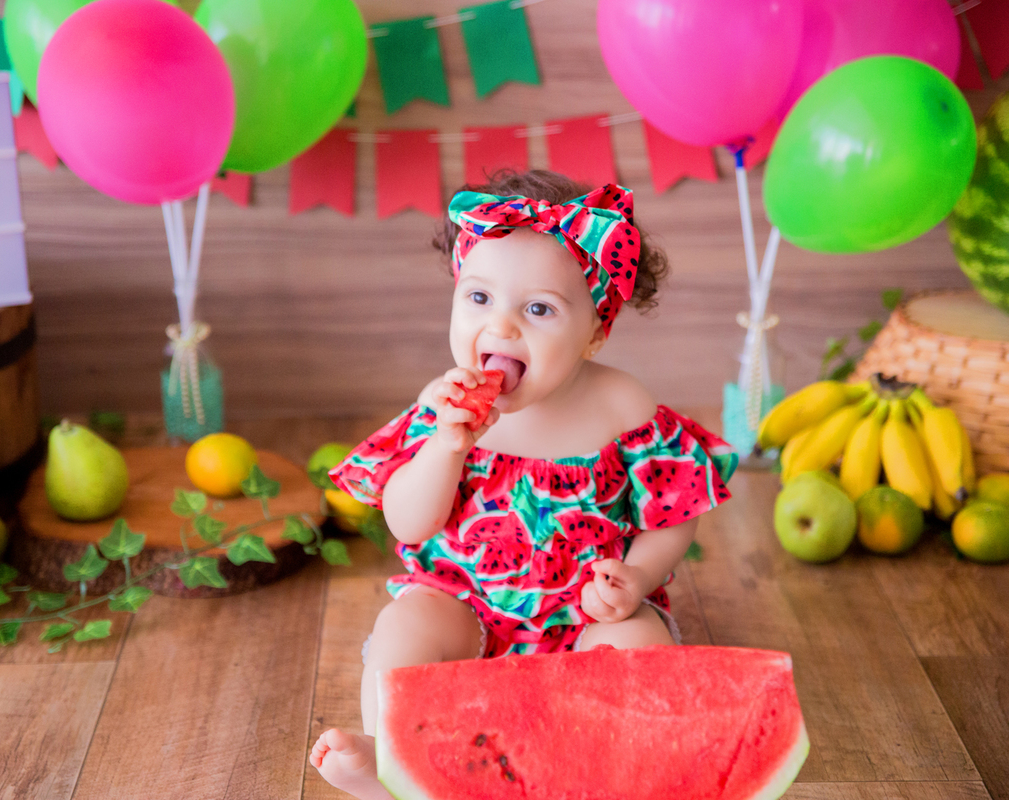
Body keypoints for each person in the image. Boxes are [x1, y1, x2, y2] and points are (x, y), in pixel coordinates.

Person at [310, 169, 737, 799]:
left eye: (538, 309)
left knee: (638, 645)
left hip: (585, 613)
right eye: (479, 299)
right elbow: (408, 523)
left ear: (595, 331)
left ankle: (614, 765)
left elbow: (672, 512)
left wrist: (637, 580)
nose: (502, 328)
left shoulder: (623, 406)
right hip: (465, 602)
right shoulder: (444, 406)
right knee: (407, 631)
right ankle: (395, 762)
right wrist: (446, 448)